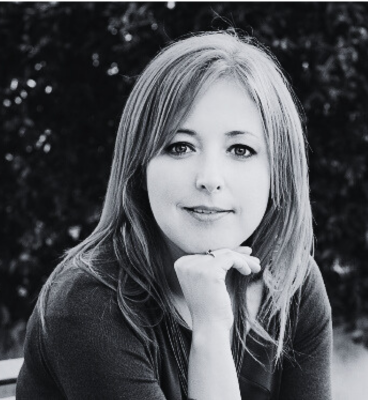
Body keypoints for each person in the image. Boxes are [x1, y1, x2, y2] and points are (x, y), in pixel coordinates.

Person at [16, 30, 332, 400]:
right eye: (180, 147)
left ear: (279, 172)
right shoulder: (88, 303)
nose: (209, 178)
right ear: (140, 167)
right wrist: (211, 328)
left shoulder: (292, 282)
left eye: (241, 149)